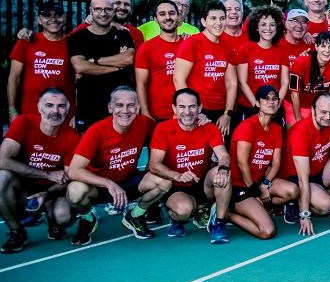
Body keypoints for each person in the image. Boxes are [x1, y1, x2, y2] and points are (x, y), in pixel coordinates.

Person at [65, 87, 164, 244]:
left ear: (138, 107)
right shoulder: (95, 132)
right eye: (119, 105)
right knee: (75, 191)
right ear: (110, 107)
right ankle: (88, 219)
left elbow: (167, 135)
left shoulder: (145, 123)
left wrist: (198, 120)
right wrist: (109, 184)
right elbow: (74, 170)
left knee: (163, 180)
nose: (125, 110)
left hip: (129, 181)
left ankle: (136, 215)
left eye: (131, 105)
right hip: (99, 186)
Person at [0, 88, 78, 252]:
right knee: (1, 177)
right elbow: (2, 160)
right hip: (22, 188)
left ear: (68, 109)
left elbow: (70, 176)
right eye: (49, 105)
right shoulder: (23, 123)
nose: (55, 111)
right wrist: (46, 174)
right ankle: (17, 232)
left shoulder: (73, 137)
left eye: (61, 106)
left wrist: (47, 193)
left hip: (52, 190)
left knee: (63, 216)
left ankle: (53, 222)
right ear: (39, 107)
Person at [146, 88, 230, 239]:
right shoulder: (163, 129)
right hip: (177, 185)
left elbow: (223, 155)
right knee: (184, 210)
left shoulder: (209, 128)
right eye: (182, 107)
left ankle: (219, 222)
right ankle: (177, 218)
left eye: (192, 107)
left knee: (223, 173)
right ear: (174, 109)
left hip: (202, 183)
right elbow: (154, 164)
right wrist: (177, 176)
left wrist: (223, 170)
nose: (187, 112)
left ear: (199, 108)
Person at [276, 92, 330, 232]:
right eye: (324, 112)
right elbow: (303, 180)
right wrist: (305, 216)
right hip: (297, 178)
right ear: (313, 110)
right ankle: (296, 202)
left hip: (318, 173)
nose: (328, 117)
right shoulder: (301, 132)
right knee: (325, 206)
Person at [68, 0, 137, 130]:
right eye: (98, 9)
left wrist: (94, 61)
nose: (103, 13)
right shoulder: (78, 37)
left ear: (113, 10)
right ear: (90, 10)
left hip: (120, 108)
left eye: (108, 9)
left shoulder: (123, 34)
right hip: (89, 106)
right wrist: (118, 67)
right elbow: (80, 66)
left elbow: (128, 59)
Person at [226, 85, 285, 241]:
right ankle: (226, 213)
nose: (271, 102)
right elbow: (241, 163)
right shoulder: (247, 127)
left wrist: (265, 184)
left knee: (292, 191)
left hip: (258, 182)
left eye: (274, 99)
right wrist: (255, 192)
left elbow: (276, 163)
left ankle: (259, 207)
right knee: (267, 231)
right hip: (241, 186)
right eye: (266, 99)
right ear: (257, 103)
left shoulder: (277, 128)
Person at [173, 1, 236, 136]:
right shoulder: (192, 43)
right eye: (213, 18)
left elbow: (232, 83)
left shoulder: (228, 46)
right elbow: (179, 79)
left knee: (218, 154)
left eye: (222, 18)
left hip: (220, 111)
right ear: (203, 21)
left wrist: (227, 114)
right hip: (197, 110)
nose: (218, 23)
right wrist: (193, 111)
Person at [7, 0, 72, 120]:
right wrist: (12, 109)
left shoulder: (73, 43)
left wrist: (74, 113)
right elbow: (14, 77)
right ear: (39, 20)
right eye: (47, 15)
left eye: (58, 14)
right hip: (30, 113)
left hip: (62, 115)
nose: (53, 19)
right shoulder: (26, 41)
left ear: (64, 18)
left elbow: (79, 82)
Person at [233, 7, 289, 125]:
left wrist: (276, 104)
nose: (268, 28)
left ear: (277, 27)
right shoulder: (246, 49)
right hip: (250, 106)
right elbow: (242, 82)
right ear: (256, 27)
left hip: (274, 108)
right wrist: (257, 105)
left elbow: (285, 82)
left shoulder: (282, 50)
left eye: (272, 24)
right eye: (263, 24)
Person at [135, 0, 183, 121]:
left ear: (179, 17)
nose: (168, 17)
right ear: (155, 19)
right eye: (162, 14)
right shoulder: (147, 48)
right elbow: (141, 84)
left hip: (186, 113)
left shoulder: (189, 44)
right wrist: (145, 112)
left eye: (172, 13)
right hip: (158, 114)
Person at [289, 32, 330, 122]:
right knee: (297, 133)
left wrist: (326, 114)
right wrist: (298, 119)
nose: (327, 50)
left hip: (319, 108)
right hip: (295, 105)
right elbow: (294, 93)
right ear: (316, 47)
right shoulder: (301, 61)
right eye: (323, 46)